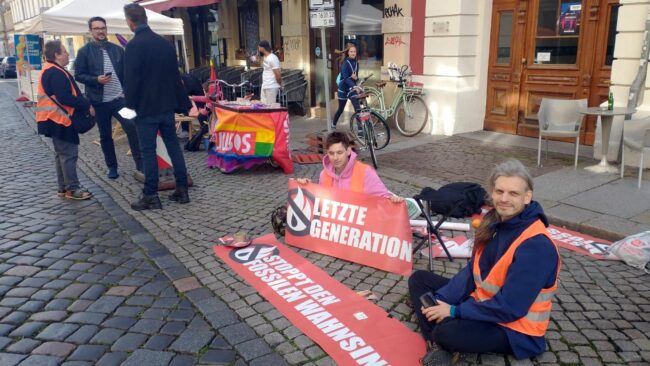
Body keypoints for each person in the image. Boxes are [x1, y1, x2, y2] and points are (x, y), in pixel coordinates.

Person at [408, 159, 560, 365]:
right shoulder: (494, 223)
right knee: (418, 279)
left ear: (527, 197)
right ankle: (438, 339)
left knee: (447, 331)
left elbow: (510, 308)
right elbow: (472, 273)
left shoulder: (536, 246)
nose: (504, 199)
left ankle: (437, 337)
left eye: (513, 193)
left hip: (515, 329)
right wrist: (441, 301)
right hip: (481, 303)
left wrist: (453, 311)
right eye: (499, 191)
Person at [123, 3, 191, 211]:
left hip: (146, 109)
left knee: (148, 152)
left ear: (130, 22)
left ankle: (151, 195)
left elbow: (131, 81)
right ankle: (182, 189)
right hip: (166, 107)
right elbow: (175, 78)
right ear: (146, 18)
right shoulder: (165, 45)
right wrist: (182, 104)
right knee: (173, 147)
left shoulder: (134, 46)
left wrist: (130, 106)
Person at [75, 16, 142, 179]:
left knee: (133, 127)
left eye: (103, 28)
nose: (100, 31)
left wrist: (128, 91)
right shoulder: (84, 52)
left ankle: (141, 164)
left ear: (106, 29)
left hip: (120, 100)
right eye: (97, 28)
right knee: (105, 135)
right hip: (99, 103)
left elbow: (127, 73)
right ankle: (112, 167)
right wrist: (96, 80)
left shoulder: (117, 49)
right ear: (91, 31)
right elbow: (79, 75)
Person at [36, 40, 95, 200]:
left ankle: (63, 188)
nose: (68, 54)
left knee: (61, 154)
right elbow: (65, 97)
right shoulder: (55, 72)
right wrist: (86, 104)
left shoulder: (51, 69)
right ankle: (73, 189)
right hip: (60, 119)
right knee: (68, 155)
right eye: (64, 51)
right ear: (57, 55)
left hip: (54, 119)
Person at [296, 131, 402, 202]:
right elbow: (319, 202)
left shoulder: (365, 172)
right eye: (331, 153)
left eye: (339, 152)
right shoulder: (324, 175)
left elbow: (383, 197)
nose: (335, 157)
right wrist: (306, 187)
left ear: (348, 151)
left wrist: (393, 200)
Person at [331, 45, 360, 130]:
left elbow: (355, 76)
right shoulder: (345, 64)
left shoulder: (356, 63)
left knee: (358, 109)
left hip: (351, 89)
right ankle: (333, 124)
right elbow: (346, 78)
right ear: (348, 53)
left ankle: (360, 130)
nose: (353, 53)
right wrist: (354, 85)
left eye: (354, 51)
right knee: (341, 109)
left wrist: (356, 78)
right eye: (351, 51)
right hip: (343, 89)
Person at [258, 40, 282, 105]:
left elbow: (277, 73)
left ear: (263, 48)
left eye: (259, 47)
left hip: (271, 86)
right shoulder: (265, 57)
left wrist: (280, 83)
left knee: (270, 106)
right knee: (263, 106)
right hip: (265, 85)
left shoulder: (272, 58)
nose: (258, 48)